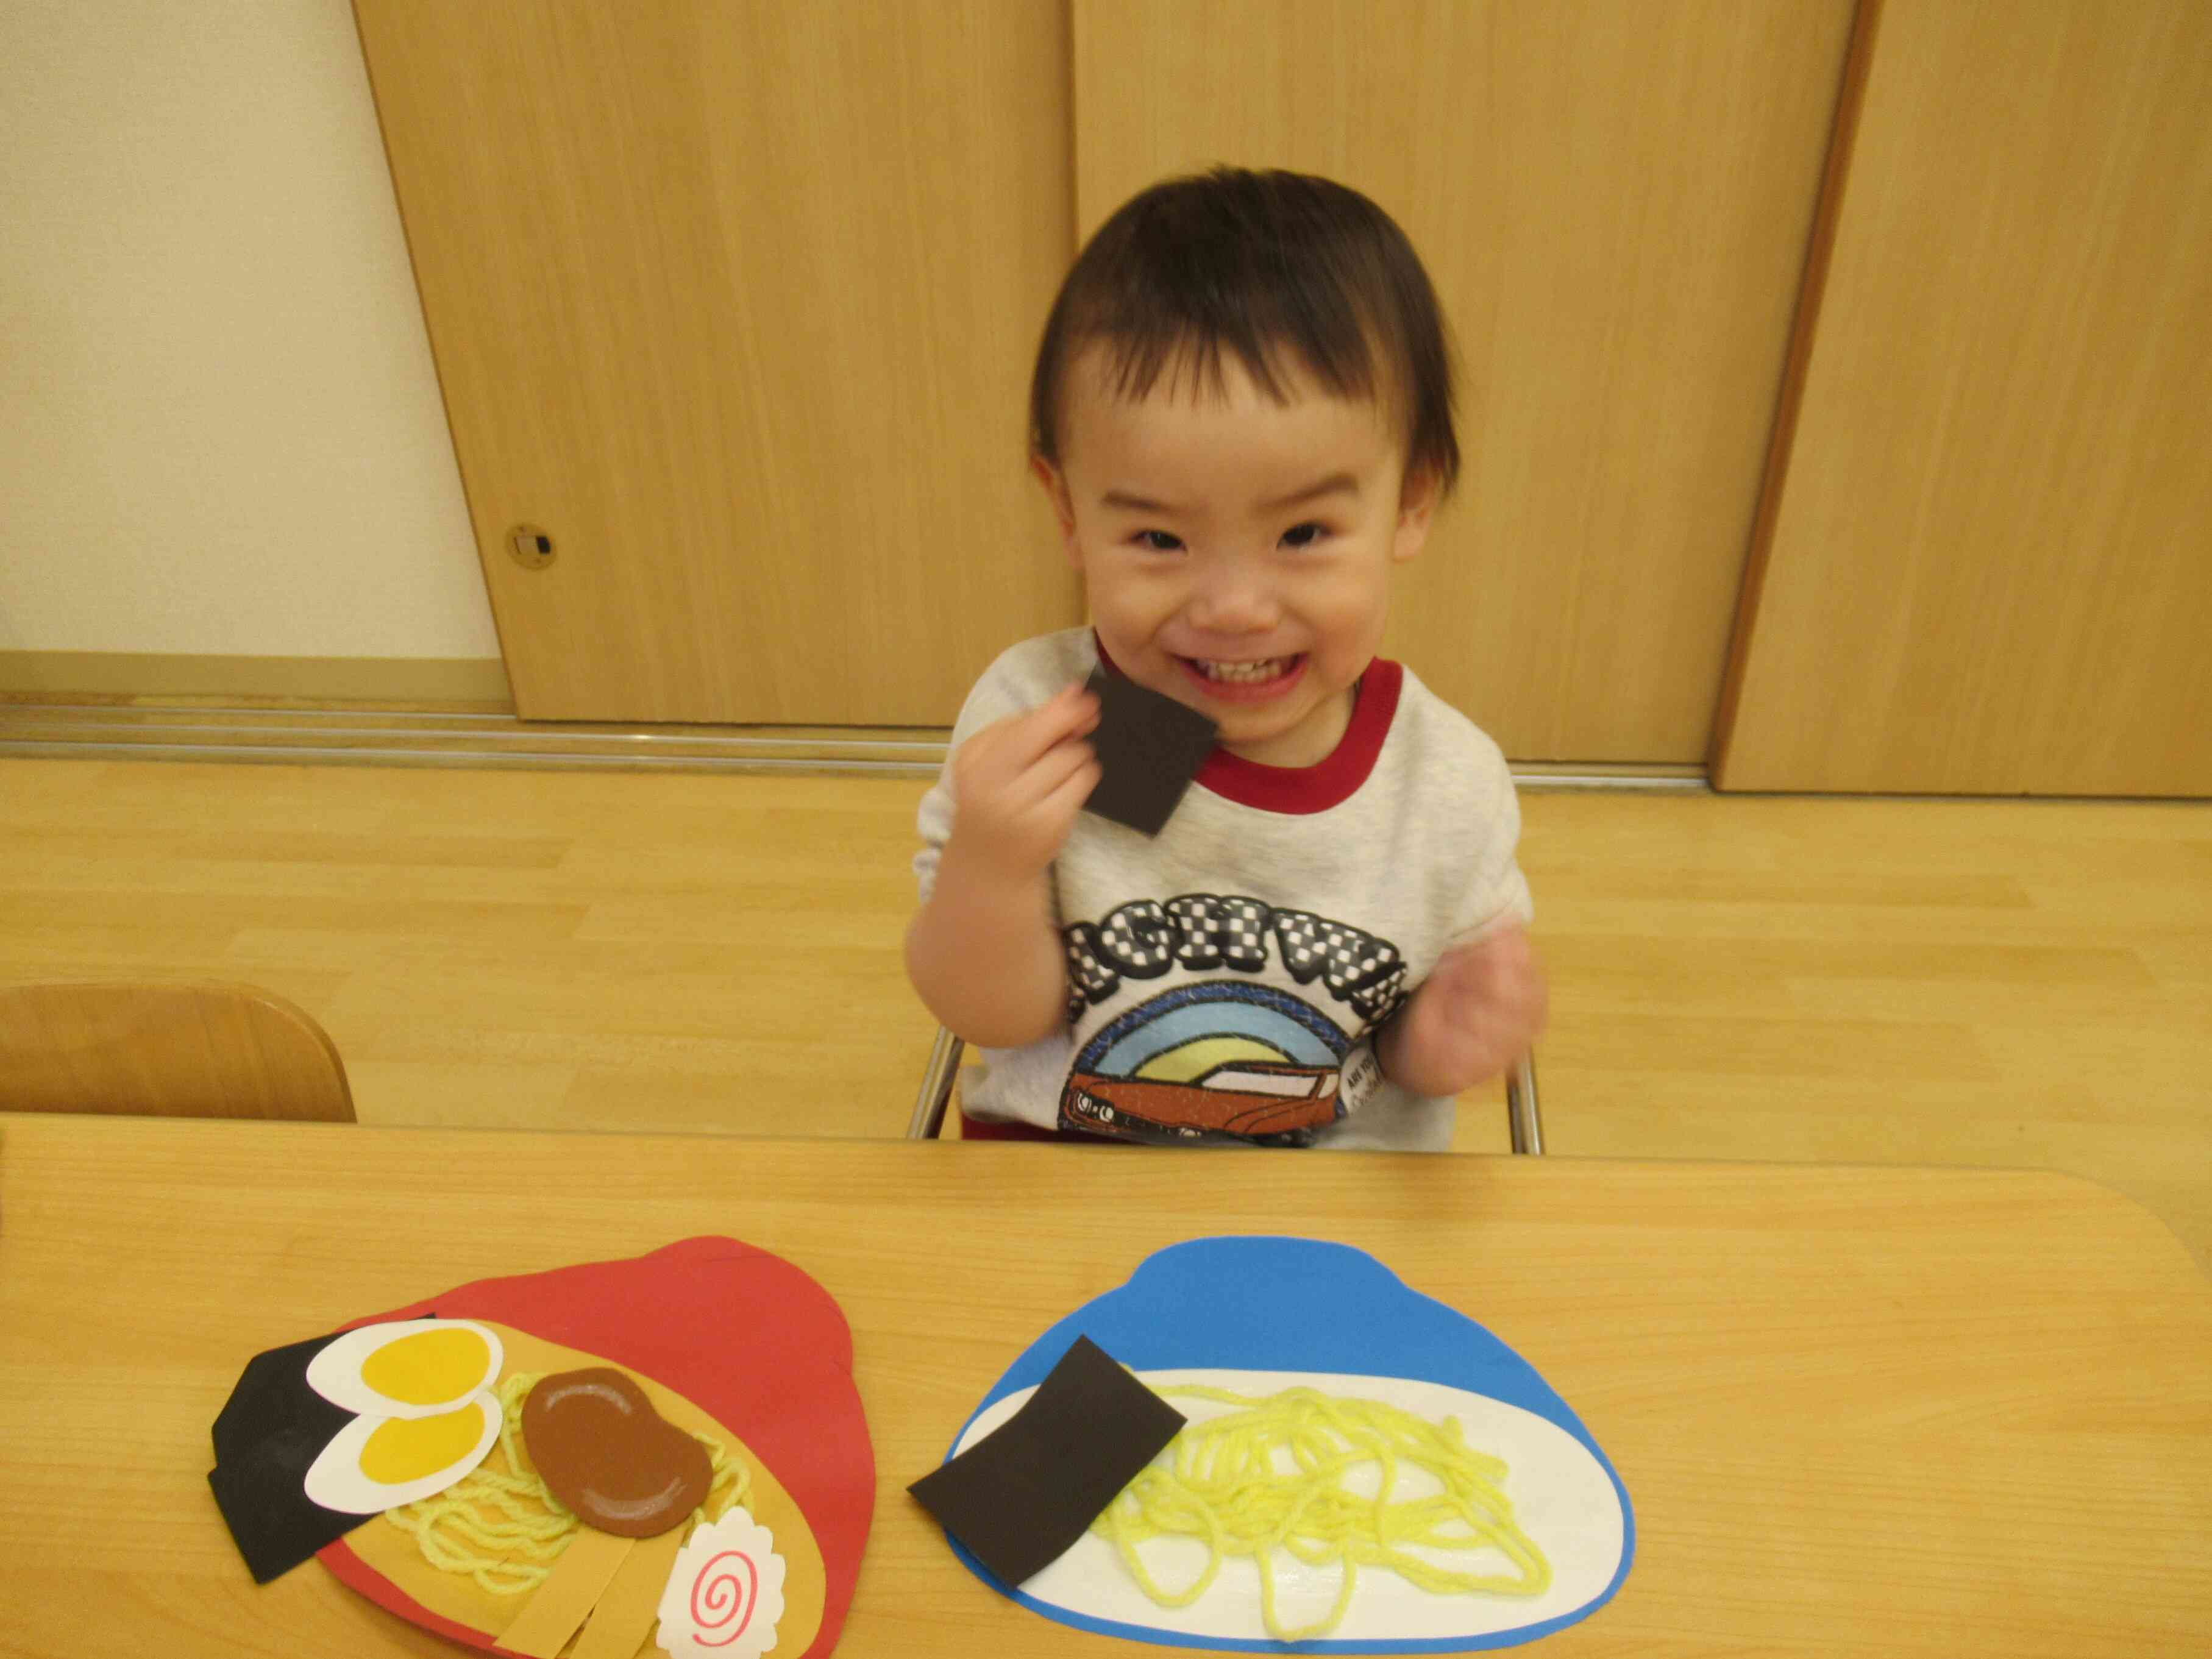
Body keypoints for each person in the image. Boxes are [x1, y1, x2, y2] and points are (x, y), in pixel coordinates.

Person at [906, 167, 1546, 1150]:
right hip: (1062, 1178)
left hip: (1327, 1208)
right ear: (1070, 511)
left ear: (1410, 502)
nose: (1235, 610)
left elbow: (1404, 1052)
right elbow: (995, 1019)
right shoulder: (1049, 714)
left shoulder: (1441, 781)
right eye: (1159, 541)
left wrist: (1447, 1035)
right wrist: (990, 869)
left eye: (1303, 534)